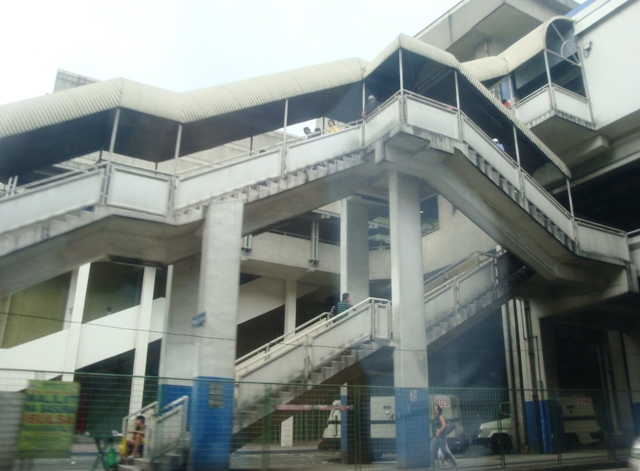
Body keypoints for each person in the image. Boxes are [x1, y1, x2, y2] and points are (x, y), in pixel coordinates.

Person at [430, 405, 457, 470]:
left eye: (435, 408)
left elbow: (444, 425)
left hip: (441, 436)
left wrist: (439, 431)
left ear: (438, 410)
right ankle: (432, 467)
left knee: (444, 452)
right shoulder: (435, 417)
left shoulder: (441, 416)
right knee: (432, 451)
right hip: (435, 437)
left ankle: (454, 463)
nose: (434, 410)